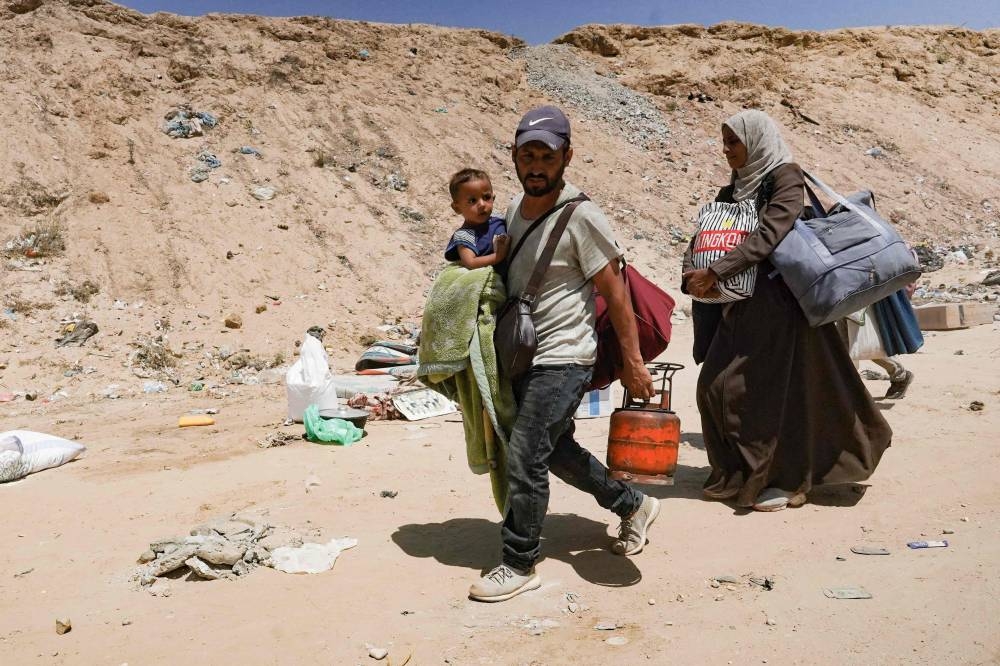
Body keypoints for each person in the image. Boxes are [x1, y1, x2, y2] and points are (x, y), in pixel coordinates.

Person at [468, 106, 659, 603]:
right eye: (527, 156)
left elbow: (616, 294)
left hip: (566, 355)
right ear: (514, 156)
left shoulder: (582, 216)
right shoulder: (514, 208)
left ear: (566, 157)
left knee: (526, 453)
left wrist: (633, 364)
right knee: (553, 451)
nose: (536, 167)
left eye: (547, 157)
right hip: (522, 356)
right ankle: (632, 504)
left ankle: (519, 560)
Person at [682, 109, 892, 512]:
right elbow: (707, 237)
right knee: (715, 386)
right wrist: (693, 273)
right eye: (724, 141)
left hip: (783, 307)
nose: (726, 149)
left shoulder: (784, 176)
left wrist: (717, 271)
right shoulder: (734, 189)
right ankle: (740, 474)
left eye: (734, 141)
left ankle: (787, 480)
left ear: (756, 141)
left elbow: (771, 232)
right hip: (740, 306)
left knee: (771, 394)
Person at [444, 168, 509, 269]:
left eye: (486, 197)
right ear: (457, 208)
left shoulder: (498, 220)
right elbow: (470, 262)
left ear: (493, 198)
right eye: (472, 201)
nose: (482, 204)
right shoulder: (464, 235)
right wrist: (498, 256)